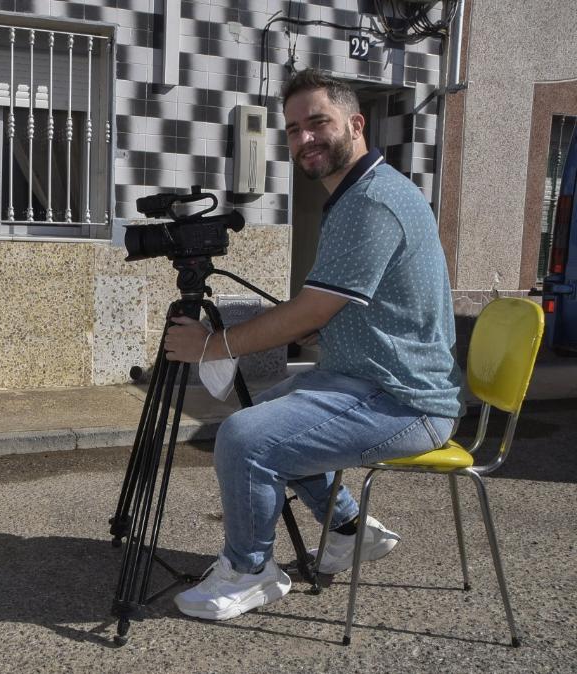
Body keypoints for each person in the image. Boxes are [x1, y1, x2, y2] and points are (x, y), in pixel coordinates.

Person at [164, 69, 462, 620]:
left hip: (404, 400)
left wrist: (213, 345)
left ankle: (252, 571)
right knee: (277, 407)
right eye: (294, 129)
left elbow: (312, 310)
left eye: (318, 122)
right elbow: (322, 311)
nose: (305, 139)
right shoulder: (360, 193)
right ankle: (348, 530)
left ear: (355, 123)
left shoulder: (371, 201)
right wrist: (272, 329)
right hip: (364, 379)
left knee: (244, 437)